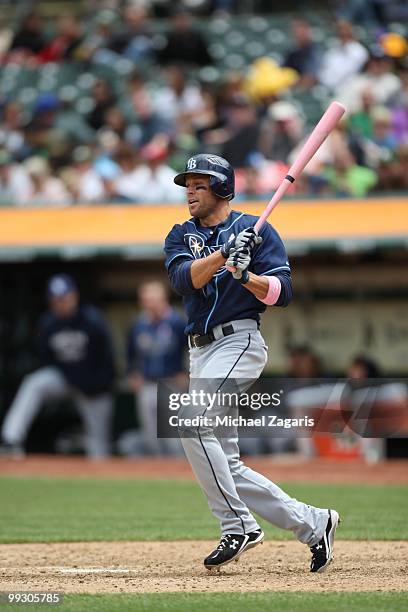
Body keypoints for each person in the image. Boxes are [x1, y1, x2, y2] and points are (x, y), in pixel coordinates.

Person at [164, 153, 339, 572]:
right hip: (200, 351)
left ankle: (238, 524)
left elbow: (282, 292)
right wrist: (225, 255)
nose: (189, 191)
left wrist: (246, 277)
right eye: (187, 184)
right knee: (226, 461)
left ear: (223, 187)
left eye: (199, 184)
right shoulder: (180, 234)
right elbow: (183, 280)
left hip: (238, 342)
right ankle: (315, 524)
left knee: (192, 420)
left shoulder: (255, 230)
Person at [0, 275, 115, 458]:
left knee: (99, 446)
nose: (60, 303)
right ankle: (11, 440)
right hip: (65, 378)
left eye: (64, 298)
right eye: (56, 299)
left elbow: (107, 361)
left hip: (94, 387)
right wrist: (68, 377)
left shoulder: (93, 320)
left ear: (74, 296)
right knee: (34, 383)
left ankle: (103, 473)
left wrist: (92, 386)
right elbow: (45, 358)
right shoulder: (48, 323)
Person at [127, 281, 186, 455]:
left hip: (172, 383)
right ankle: (158, 473)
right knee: (151, 435)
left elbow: (193, 348)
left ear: (163, 299)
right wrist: (132, 374)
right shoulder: (138, 324)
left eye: (153, 299)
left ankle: (179, 472)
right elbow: (130, 353)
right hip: (147, 383)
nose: (150, 303)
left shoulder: (177, 321)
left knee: (174, 436)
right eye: (146, 300)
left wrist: (188, 372)